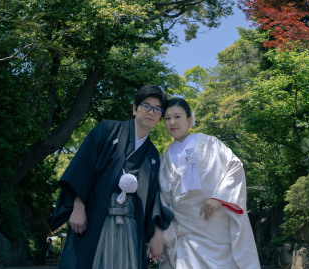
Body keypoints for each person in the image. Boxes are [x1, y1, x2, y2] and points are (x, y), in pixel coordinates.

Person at [50, 85, 172, 269]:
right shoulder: (107, 130)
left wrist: (157, 234)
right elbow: (83, 168)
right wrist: (78, 206)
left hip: (130, 225)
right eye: (146, 106)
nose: (151, 112)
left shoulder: (153, 155)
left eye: (157, 109)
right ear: (134, 108)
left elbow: (154, 198)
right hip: (95, 218)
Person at [159, 97, 261, 269]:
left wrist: (219, 198)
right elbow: (163, 199)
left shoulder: (210, 143)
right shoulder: (164, 159)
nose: (172, 122)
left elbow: (234, 167)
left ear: (190, 120)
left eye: (177, 117)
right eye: (167, 118)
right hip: (186, 233)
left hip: (217, 225)